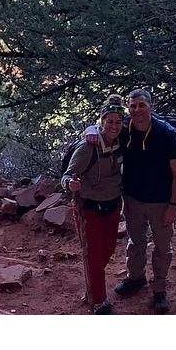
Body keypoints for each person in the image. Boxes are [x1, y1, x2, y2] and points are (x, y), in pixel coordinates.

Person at [109, 88, 176, 313]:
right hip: (133, 199)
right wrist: (89, 132)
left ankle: (159, 289)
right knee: (136, 242)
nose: (137, 110)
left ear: (150, 106)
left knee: (162, 247)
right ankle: (136, 278)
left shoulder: (166, 134)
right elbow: (103, 130)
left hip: (161, 202)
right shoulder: (125, 131)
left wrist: (173, 205)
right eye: (132, 106)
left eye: (141, 105)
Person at [62, 96, 127, 313]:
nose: (114, 126)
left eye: (118, 121)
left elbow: (147, 121)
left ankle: (92, 290)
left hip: (113, 204)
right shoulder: (87, 147)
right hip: (89, 207)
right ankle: (98, 301)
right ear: (102, 121)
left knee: (107, 250)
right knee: (93, 255)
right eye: (110, 121)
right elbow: (67, 175)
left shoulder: (123, 140)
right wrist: (70, 184)